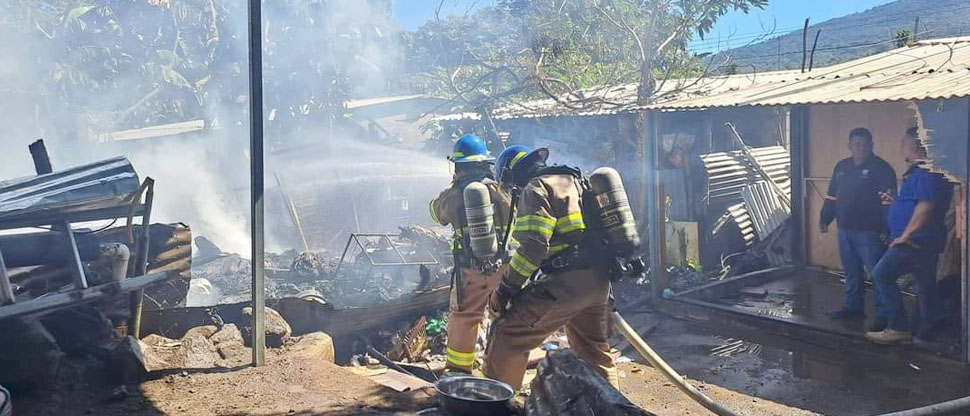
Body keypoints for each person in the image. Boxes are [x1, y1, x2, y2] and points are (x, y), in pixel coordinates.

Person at [483, 145, 618, 391]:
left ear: (512, 177)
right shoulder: (576, 180)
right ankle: (613, 408)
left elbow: (533, 247)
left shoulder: (536, 188)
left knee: (507, 337)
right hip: (600, 283)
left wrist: (505, 290)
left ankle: (498, 408)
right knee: (595, 353)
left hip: (565, 283)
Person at [429, 134, 511, 373]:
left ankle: (459, 373)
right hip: (503, 267)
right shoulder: (501, 190)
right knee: (502, 316)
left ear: (458, 165)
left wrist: (453, 186)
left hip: (470, 269)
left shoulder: (455, 194)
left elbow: (436, 214)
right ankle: (499, 370)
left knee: (465, 317)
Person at [866, 127, 953, 345]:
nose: (900, 146)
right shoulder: (922, 172)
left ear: (914, 147)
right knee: (925, 285)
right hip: (924, 242)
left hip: (915, 241)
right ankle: (928, 331)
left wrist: (904, 236)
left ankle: (898, 326)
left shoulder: (925, 173)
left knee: (881, 275)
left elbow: (925, 208)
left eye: (903, 142)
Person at [819, 127, 897, 322]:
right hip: (845, 229)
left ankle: (884, 315)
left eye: (865, 144)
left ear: (872, 145)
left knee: (878, 274)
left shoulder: (882, 169)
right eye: (857, 144)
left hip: (870, 232)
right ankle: (853, 308)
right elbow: (831, 195)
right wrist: (825, 218)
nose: (861, 147)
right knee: (851, 272)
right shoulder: (842, 167)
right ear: (849, 146)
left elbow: (888, 202)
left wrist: (888, 229)